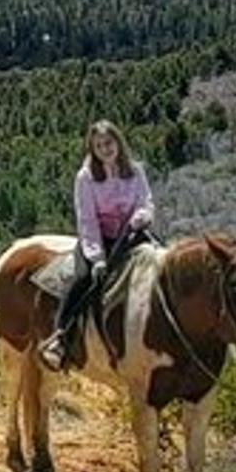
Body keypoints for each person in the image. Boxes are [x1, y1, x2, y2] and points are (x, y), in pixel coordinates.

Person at [39, 120, 155, 372]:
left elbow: (146, 201)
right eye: (99, 145)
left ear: (118, 143)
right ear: (92, 149)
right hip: (99, 238)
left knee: (161, 269)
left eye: (109, 143)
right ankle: (61, 337)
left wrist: (143, 215)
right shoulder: (86, 177)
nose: (105, 149)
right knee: (83, 279)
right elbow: (87, 219)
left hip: (131, 235)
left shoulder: (135, 170)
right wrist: (97, 257)